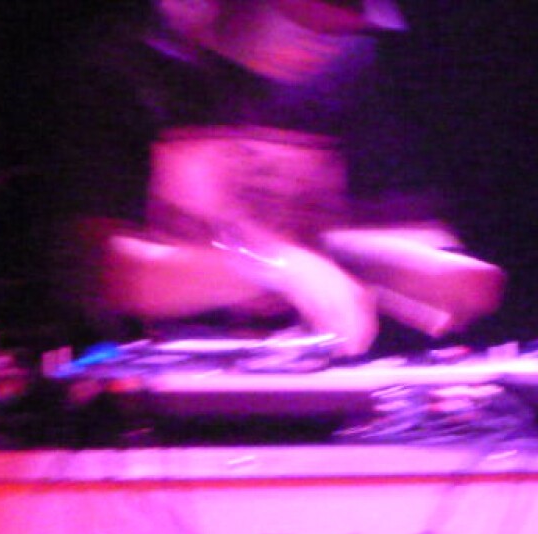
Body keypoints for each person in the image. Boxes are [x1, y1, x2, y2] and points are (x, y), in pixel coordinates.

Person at [52, 0, 504, 356]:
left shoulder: (346, 66)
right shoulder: (126, 66)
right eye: (303, 21)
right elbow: (107, 271)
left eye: (338, 27)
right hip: (154, 393)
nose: (324, 43)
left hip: (314, 377)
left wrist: (410, 266)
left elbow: (374, 225)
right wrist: (272, 266)